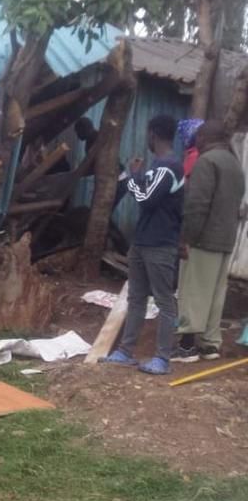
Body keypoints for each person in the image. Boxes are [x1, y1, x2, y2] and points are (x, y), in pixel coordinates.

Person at [104, 115, 184, 375]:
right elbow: (140, 191)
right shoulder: (157, 168)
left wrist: (132, 178)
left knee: (164, 300)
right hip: (142, 242)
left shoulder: (169, 168)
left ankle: (162, 358)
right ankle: (125, 352)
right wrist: (134, 177)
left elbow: (146, 200)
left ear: (153, 134)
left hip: (160, 244)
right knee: (136, 297)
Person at [174, 120, 246, 362]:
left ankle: (186, 347)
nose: (197, 142)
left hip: (204, 238)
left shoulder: (207, 161)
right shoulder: (234, 163)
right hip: (226, 239)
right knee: (215, 295)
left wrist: (186, 238)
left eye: (199, 138)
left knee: (193, 291)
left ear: (205, 138)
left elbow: (197, 205)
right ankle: (210, 345)